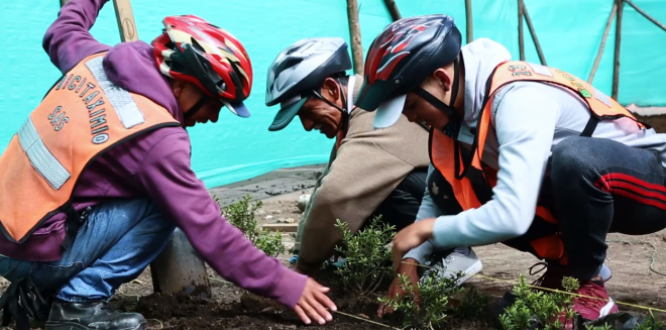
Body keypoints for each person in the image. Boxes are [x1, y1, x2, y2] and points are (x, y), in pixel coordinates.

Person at [0, 1, 336, 329]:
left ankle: (38, 294)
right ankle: (77, 305)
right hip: (25, 251)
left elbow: (63, 28)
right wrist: (285, 283)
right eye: (215, 103)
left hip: (12, 235)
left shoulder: (93, 61)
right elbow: (208, 230)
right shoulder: (157, 137)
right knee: (166, 207)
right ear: (182, 84)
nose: (214, 117)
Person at [355, 14, 666, 327]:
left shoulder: (518, 99)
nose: (410, 118)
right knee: (466, 183)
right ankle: (563, 273)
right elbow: (439, 192)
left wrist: (424, 230)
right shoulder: (455, 121)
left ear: (443, 80)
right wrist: (412, 260)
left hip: (649, 182)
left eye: (411, 106)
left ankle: (586, 285)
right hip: (594, 190)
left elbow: (512, 216)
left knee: (572, 159)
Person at [264, 37, 483, 281]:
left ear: (331, 89)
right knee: (357, 184)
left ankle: (452, 253)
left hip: (468, 199)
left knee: (374, 185)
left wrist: (305, 268)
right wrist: (298, 256)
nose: (306, 126)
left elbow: (334, 195)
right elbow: (324, 186)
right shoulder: (352, 113)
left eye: (306, 112)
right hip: (443, 193)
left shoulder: (371, 113)